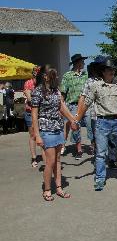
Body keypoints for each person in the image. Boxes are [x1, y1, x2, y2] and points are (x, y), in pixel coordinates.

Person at [75, 57, 117, 191]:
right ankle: (99, 179)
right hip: (102, 122)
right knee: (101, 153)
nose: (112, 72)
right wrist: (77, 119)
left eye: (114, 70)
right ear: (103, 72)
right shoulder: (96, 86)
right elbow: (86, 104)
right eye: (110, 70)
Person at [31, 65, 75, 201]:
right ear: (45, 76)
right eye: (52, 74)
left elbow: (62, 107)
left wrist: (73, 120)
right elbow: (34, 115)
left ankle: (59, 188)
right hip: (46, 130)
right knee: (50, 162)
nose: (56, 76)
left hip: (58, 129)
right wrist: (37, 135)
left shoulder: (55, 90)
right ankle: (47, 189)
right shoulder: (38, 91)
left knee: (58, 160)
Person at [60, 53, 88, 159]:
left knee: (91, 125)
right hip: (72, 104)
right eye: (82, 61)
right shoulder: (68, 75)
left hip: (86, 105)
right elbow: (63, 91)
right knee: (74, 127)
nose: (84, 63)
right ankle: (78, 149)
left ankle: (94, 146)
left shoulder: (86, 75)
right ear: (77, 63)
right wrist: (60, 106)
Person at [24, 66, 46, 168]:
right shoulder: (28, 83)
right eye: (37, 73)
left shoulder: (43, 84)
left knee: (42, 134)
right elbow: (29, 99)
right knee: (33, 135)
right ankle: (34, 158)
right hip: (30, 111)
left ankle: (45, 158)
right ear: (34, 74)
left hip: (41, 112)